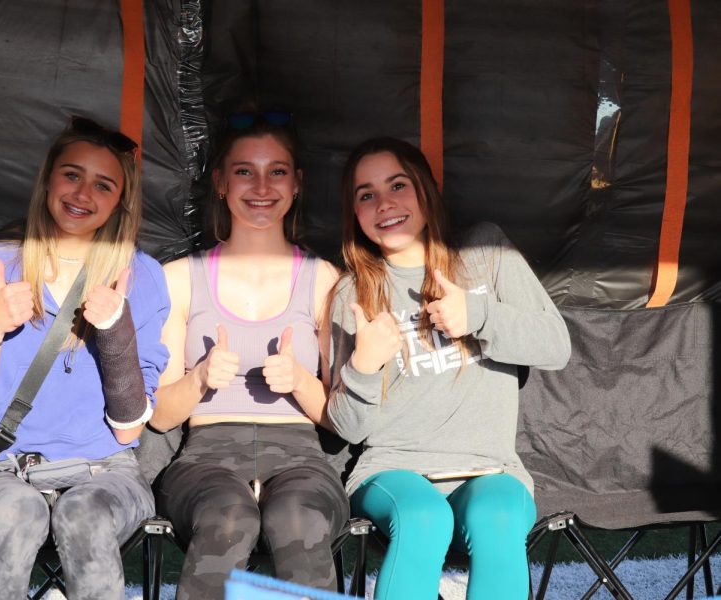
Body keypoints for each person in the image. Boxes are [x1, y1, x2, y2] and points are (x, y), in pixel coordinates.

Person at [0, 116, 170, 599]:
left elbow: (128, 430)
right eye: (72, 174)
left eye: (103, 184)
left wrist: (115, 331)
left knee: (83, 516)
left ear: (120, 201)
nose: (83, 193)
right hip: (8, 469)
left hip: (107, 471)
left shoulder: (140, 276)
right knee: (14, 514)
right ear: (48, 179)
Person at [326, 137, 571, 599]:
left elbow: (556, 346)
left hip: (491, 470)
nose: (385, 204)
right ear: (354, 213)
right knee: (423, 517)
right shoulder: (350, 293)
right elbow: (349, 430)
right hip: (393, 473)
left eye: (398, 185)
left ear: (425, 189)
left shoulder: (485, 253)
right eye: (366, 194)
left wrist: (479, 317)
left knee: (498, 516)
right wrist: (362, 365)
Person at [150, 111, 350, 599]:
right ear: (220, 182)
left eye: (277, 171)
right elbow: (157, 416)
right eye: (244, 170)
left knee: (296, 516)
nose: (261, 185)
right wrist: (198, 379)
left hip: (302, 456)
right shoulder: (178, 279)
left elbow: (346, 420)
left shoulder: (326, 281)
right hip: (206, 458)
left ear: (297, 183)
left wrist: (302, 381)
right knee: (228, 515)